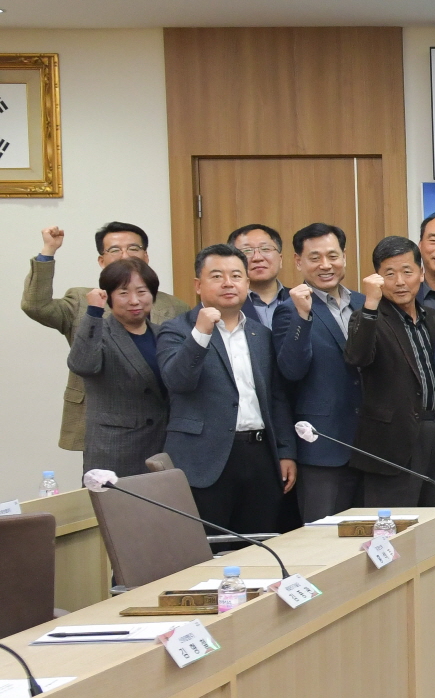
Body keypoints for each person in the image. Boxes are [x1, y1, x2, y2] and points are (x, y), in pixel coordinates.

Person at [158, 244, 297, 534]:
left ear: (247, 282)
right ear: (198, 285)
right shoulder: (177, 329)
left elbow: (276, 398)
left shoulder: (260, 334)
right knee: (206, 548)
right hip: (203, 459)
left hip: (259, 456)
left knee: (258, 545)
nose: (228, 283)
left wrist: (286, 451)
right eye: (217, 276)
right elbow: (178, 381)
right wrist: (201, 333)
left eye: (236, 275)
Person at [23, 222, 189, 455]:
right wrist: (48, 251)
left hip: (162, 420)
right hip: (104, 422)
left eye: (133, 248)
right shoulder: (82, 300)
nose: (125, 255)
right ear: (101, 261)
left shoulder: (175, 306)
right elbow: (36, 306)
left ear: (146, 256)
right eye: (114, 250)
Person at [343, 236, 435, 507]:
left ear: (421, 273)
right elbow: (358, 357)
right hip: (392, 441)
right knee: (394, 524)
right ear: (377, 279)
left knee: (430, 519)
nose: (400, 282)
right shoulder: (369, 318)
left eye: (407, 272)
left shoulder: (434, 318)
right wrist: (370, 304)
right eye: (389, 274)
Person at [270, 223, 366, 522]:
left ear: (344, 257)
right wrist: (303, 316)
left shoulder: (364, 303)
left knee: (373, 532)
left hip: (370, 444)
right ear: (298, 262)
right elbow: (291, 370)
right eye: (315, 258)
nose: (326, 265)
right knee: (323, 535)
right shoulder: (289, 310)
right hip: (323, 445)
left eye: (332, 256)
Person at [66, 258, 170, 477]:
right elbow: (82, 365)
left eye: (142, 292)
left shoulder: (165, 334)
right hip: (115, 451)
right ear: (109, 297)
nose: (134, 301)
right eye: (123, 293)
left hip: (163, 448)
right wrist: (94, 312)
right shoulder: (99, 332)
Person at [228, 224, 287, 327]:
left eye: (266, 249)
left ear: (280, 259)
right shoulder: (225, 305)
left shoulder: (303, 300)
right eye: (247, 251)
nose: (257, 258)